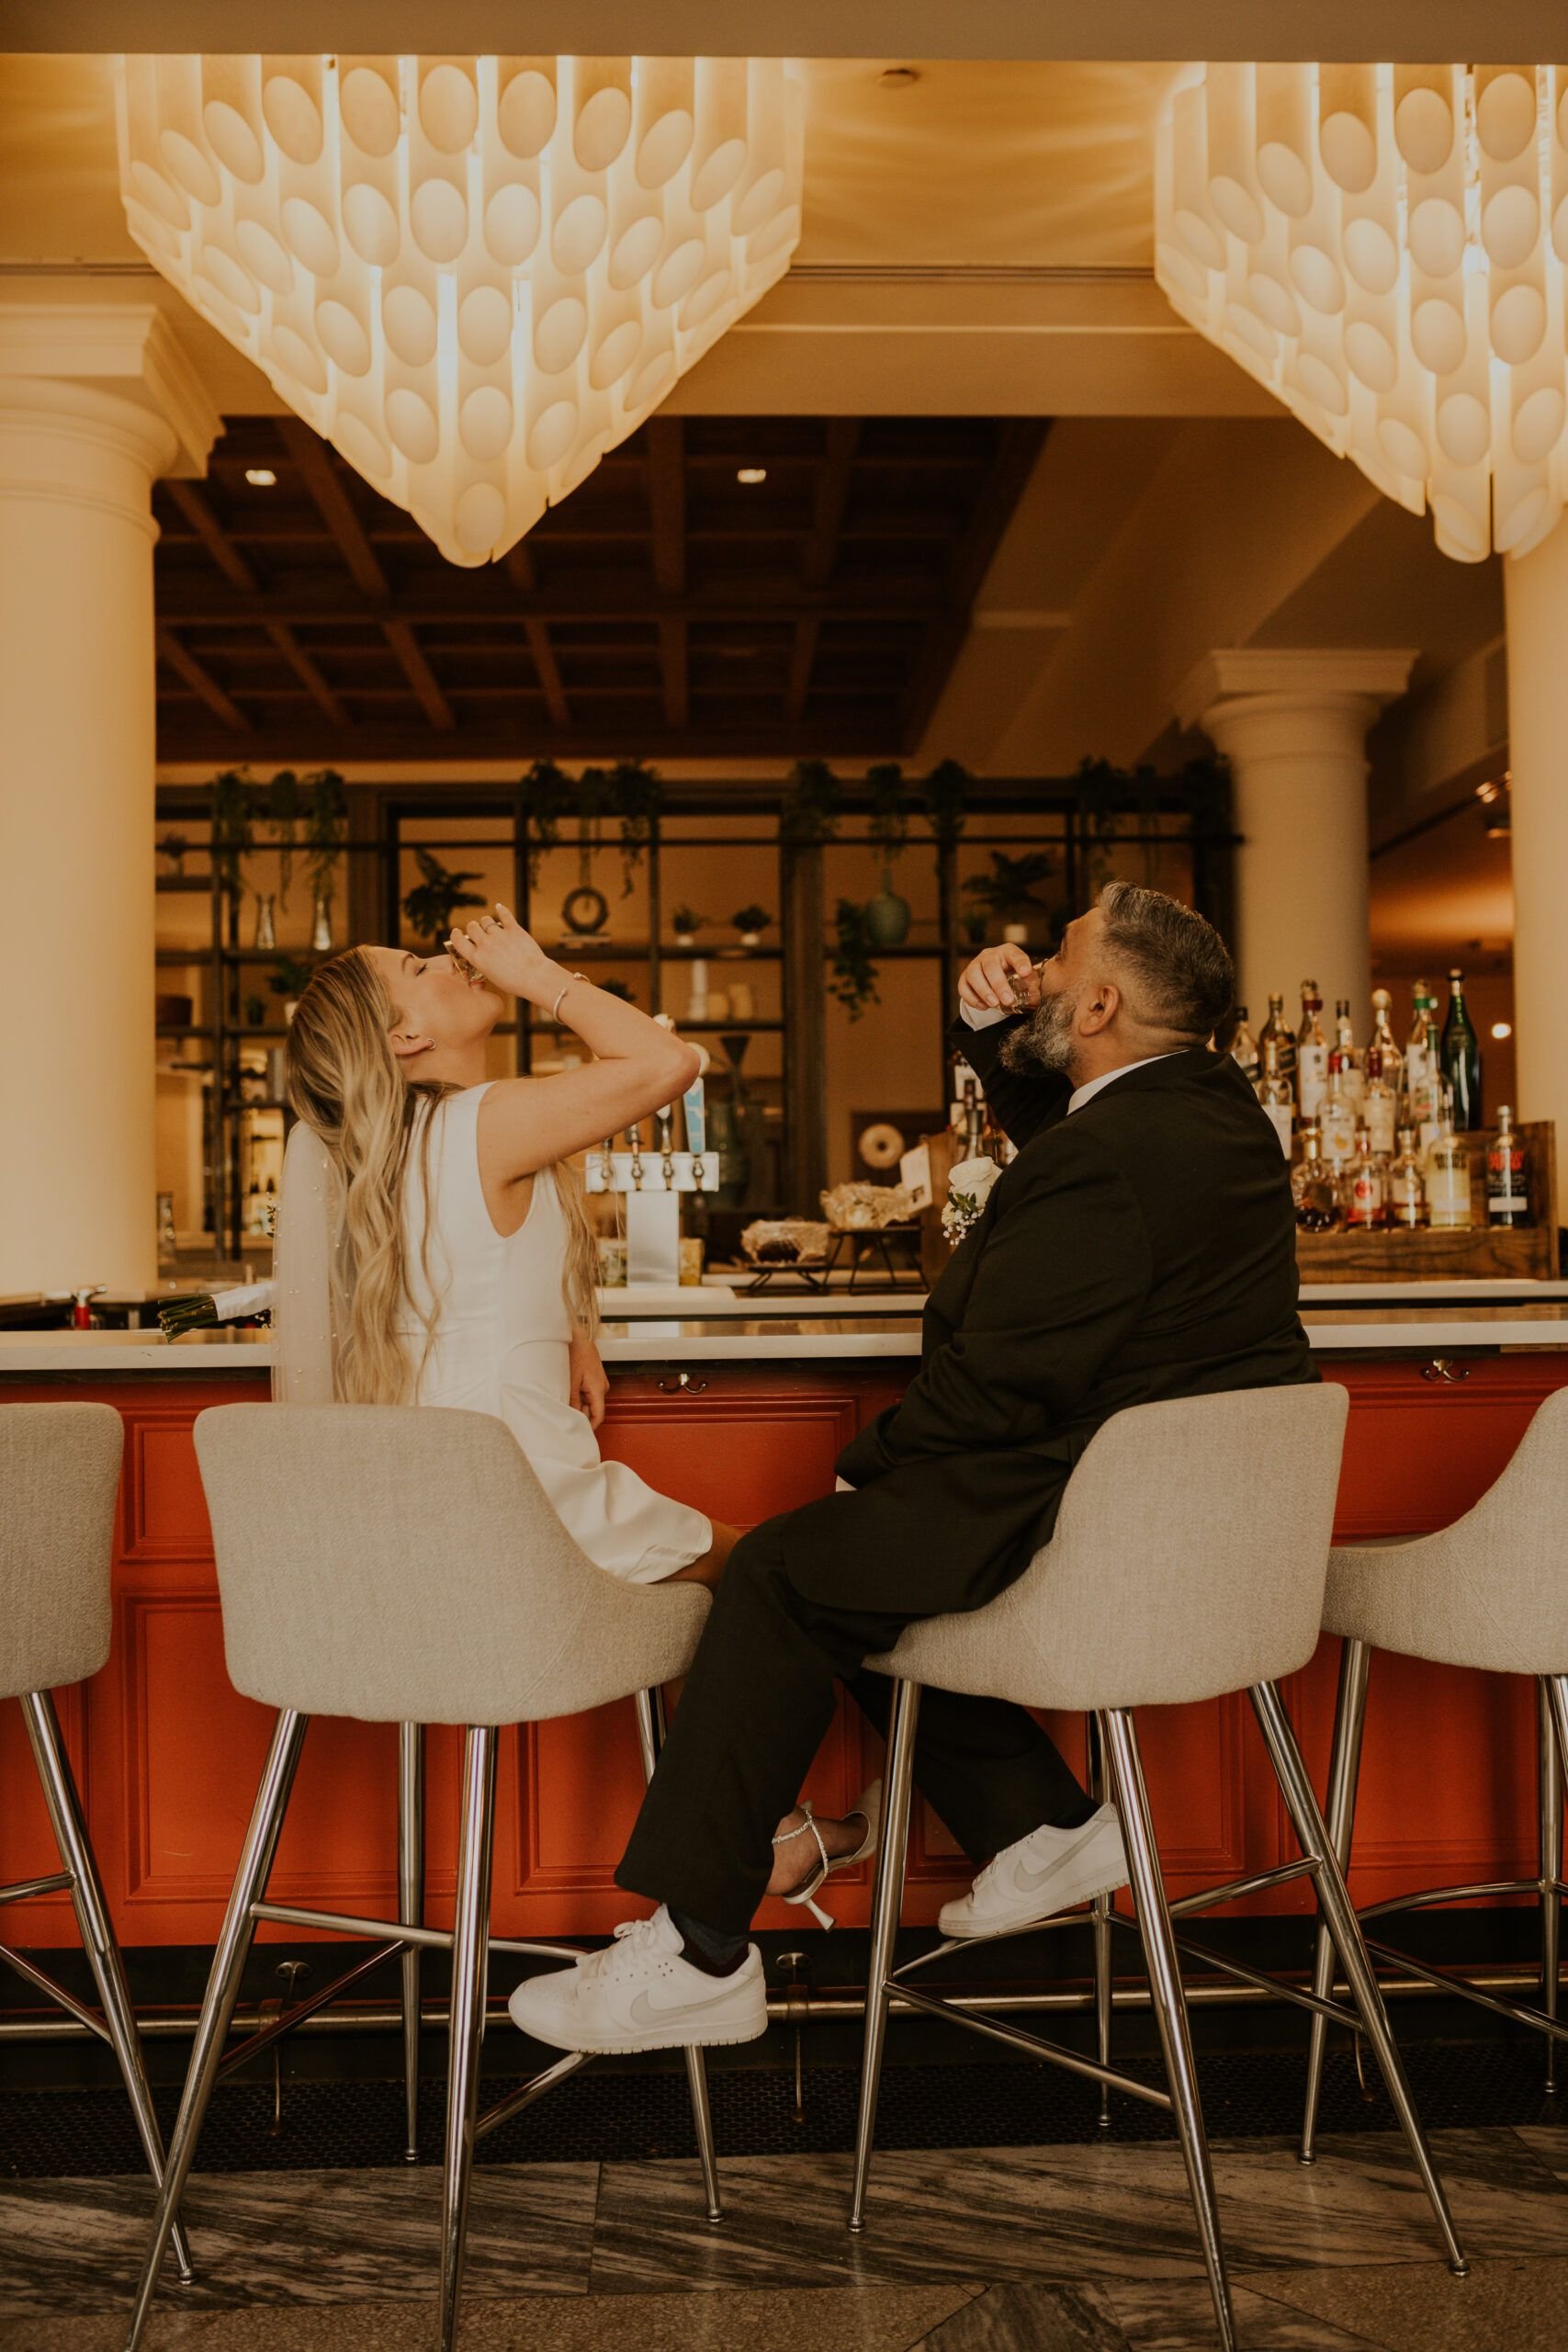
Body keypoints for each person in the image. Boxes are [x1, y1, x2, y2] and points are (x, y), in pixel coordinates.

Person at [507, 882, 1314, 2054]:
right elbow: (1080, 1130)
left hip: (1075, 1506)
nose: (1032, 971)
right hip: (1186, 1525)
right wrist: (990, 1026)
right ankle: (1037, 1825)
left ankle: (698, 1950)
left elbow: (995, 1383)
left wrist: (868, 1468)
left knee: (784, 1569)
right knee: (852, 1572)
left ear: (1098, 1007)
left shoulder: (1106, 1158)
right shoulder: (1216, 1113)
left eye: (1058, 961)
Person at [276, 904, 736, 1588]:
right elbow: (669, 1061)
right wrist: (537, 975)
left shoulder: (406, 1139)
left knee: (761, 1579)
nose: (447, 957)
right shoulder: (481, 1123)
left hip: (447, 1499)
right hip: (522, 1500)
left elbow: (472, 1271)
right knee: (766, 1571)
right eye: (418, 967)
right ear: (406, 1035)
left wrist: (570, 1332)